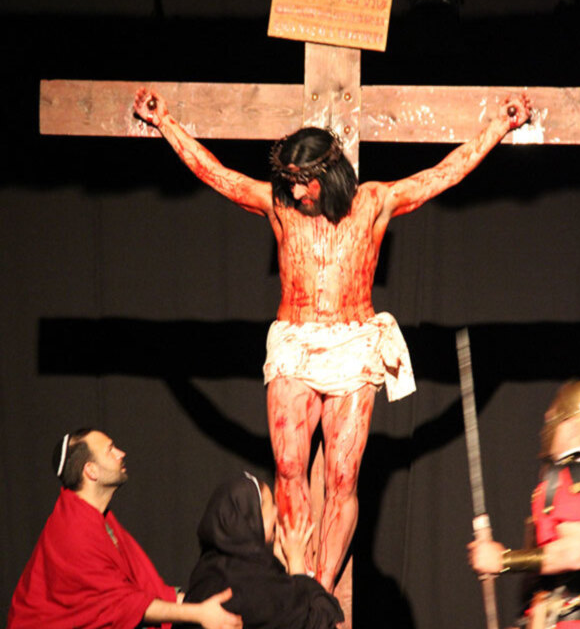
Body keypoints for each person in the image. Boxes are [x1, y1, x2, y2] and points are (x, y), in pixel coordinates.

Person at [133, 87, 532, 592]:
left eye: (305, 184)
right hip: (295, 344)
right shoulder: (280, 207)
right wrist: (165, 122)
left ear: (329, 174)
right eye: (292, 184)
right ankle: (298, 581)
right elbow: (222, 178)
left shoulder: (373, 203)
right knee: (289, 467)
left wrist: (497, 127)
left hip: (353, 345)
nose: (297, 194)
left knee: (343, 480)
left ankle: (317, 594)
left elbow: (440, 177)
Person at [0, 428, 243, 629]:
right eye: (111, 449)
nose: (121, 453)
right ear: (91, 471)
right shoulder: (72, 530)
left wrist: (203, 600)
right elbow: (125, 605)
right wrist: (198, 613)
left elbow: (142, 591)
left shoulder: (100, 522)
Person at [468, 355, 580, 629]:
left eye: (555, 417)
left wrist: (502, 559)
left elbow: (577, 552)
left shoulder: (570, 471)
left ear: (575, 425)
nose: (547, 423)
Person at [156, 471, 344, 629]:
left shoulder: (208, 571)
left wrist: (278, 566)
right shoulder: (250, 580)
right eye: (268, 505)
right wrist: (297, 564)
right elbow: (312, 623)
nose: (277, 513)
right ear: (250, 518)